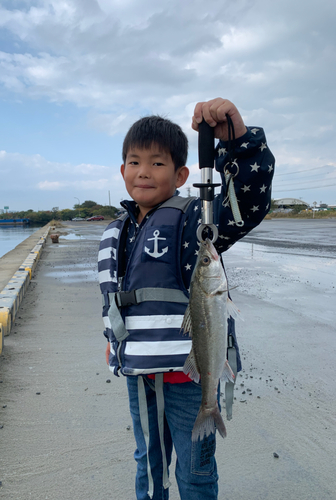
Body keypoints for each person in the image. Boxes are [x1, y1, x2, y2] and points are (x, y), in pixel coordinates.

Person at [98, 98, 275, 500]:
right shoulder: (115, 230)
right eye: (134, 162)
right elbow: (111, 298)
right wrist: (113, 344)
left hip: (190, 378)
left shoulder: (195, 219)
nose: (143, 171)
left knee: (195, 471)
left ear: (180, 174)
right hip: (140, 374)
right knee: (149, 463)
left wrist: (240, 142)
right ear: (122, 169)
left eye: (157, 163)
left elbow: (247, 204)